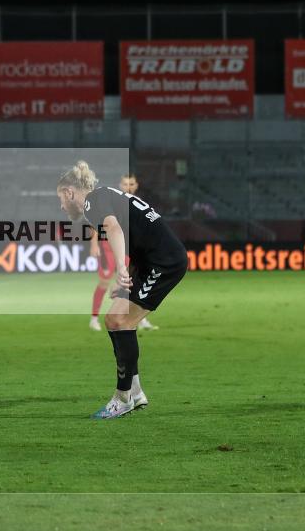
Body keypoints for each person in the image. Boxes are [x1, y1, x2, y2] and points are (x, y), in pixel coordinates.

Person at [57, 161, 187, 419]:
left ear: (71, 192)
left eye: (61, 198)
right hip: (151, 261)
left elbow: (115, 228)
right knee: (115, 320)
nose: (61, 205)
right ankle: (135, 393)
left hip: (163, 263)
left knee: (119, 320)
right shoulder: (106, 195)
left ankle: (123, 396)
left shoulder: (92, 202)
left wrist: (120, 268)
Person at [89, 174, 158, 332]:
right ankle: (93, 318)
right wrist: (94, 244)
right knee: (104, 282)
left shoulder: (139, 204)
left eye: (131, 183)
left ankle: (140, 319)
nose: (128, 186)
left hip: (127, 249)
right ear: (120, 185)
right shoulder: (113, 200)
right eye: (125, 183)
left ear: (136, 185)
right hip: (107, 248)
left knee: (130, 284)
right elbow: (96, 223)